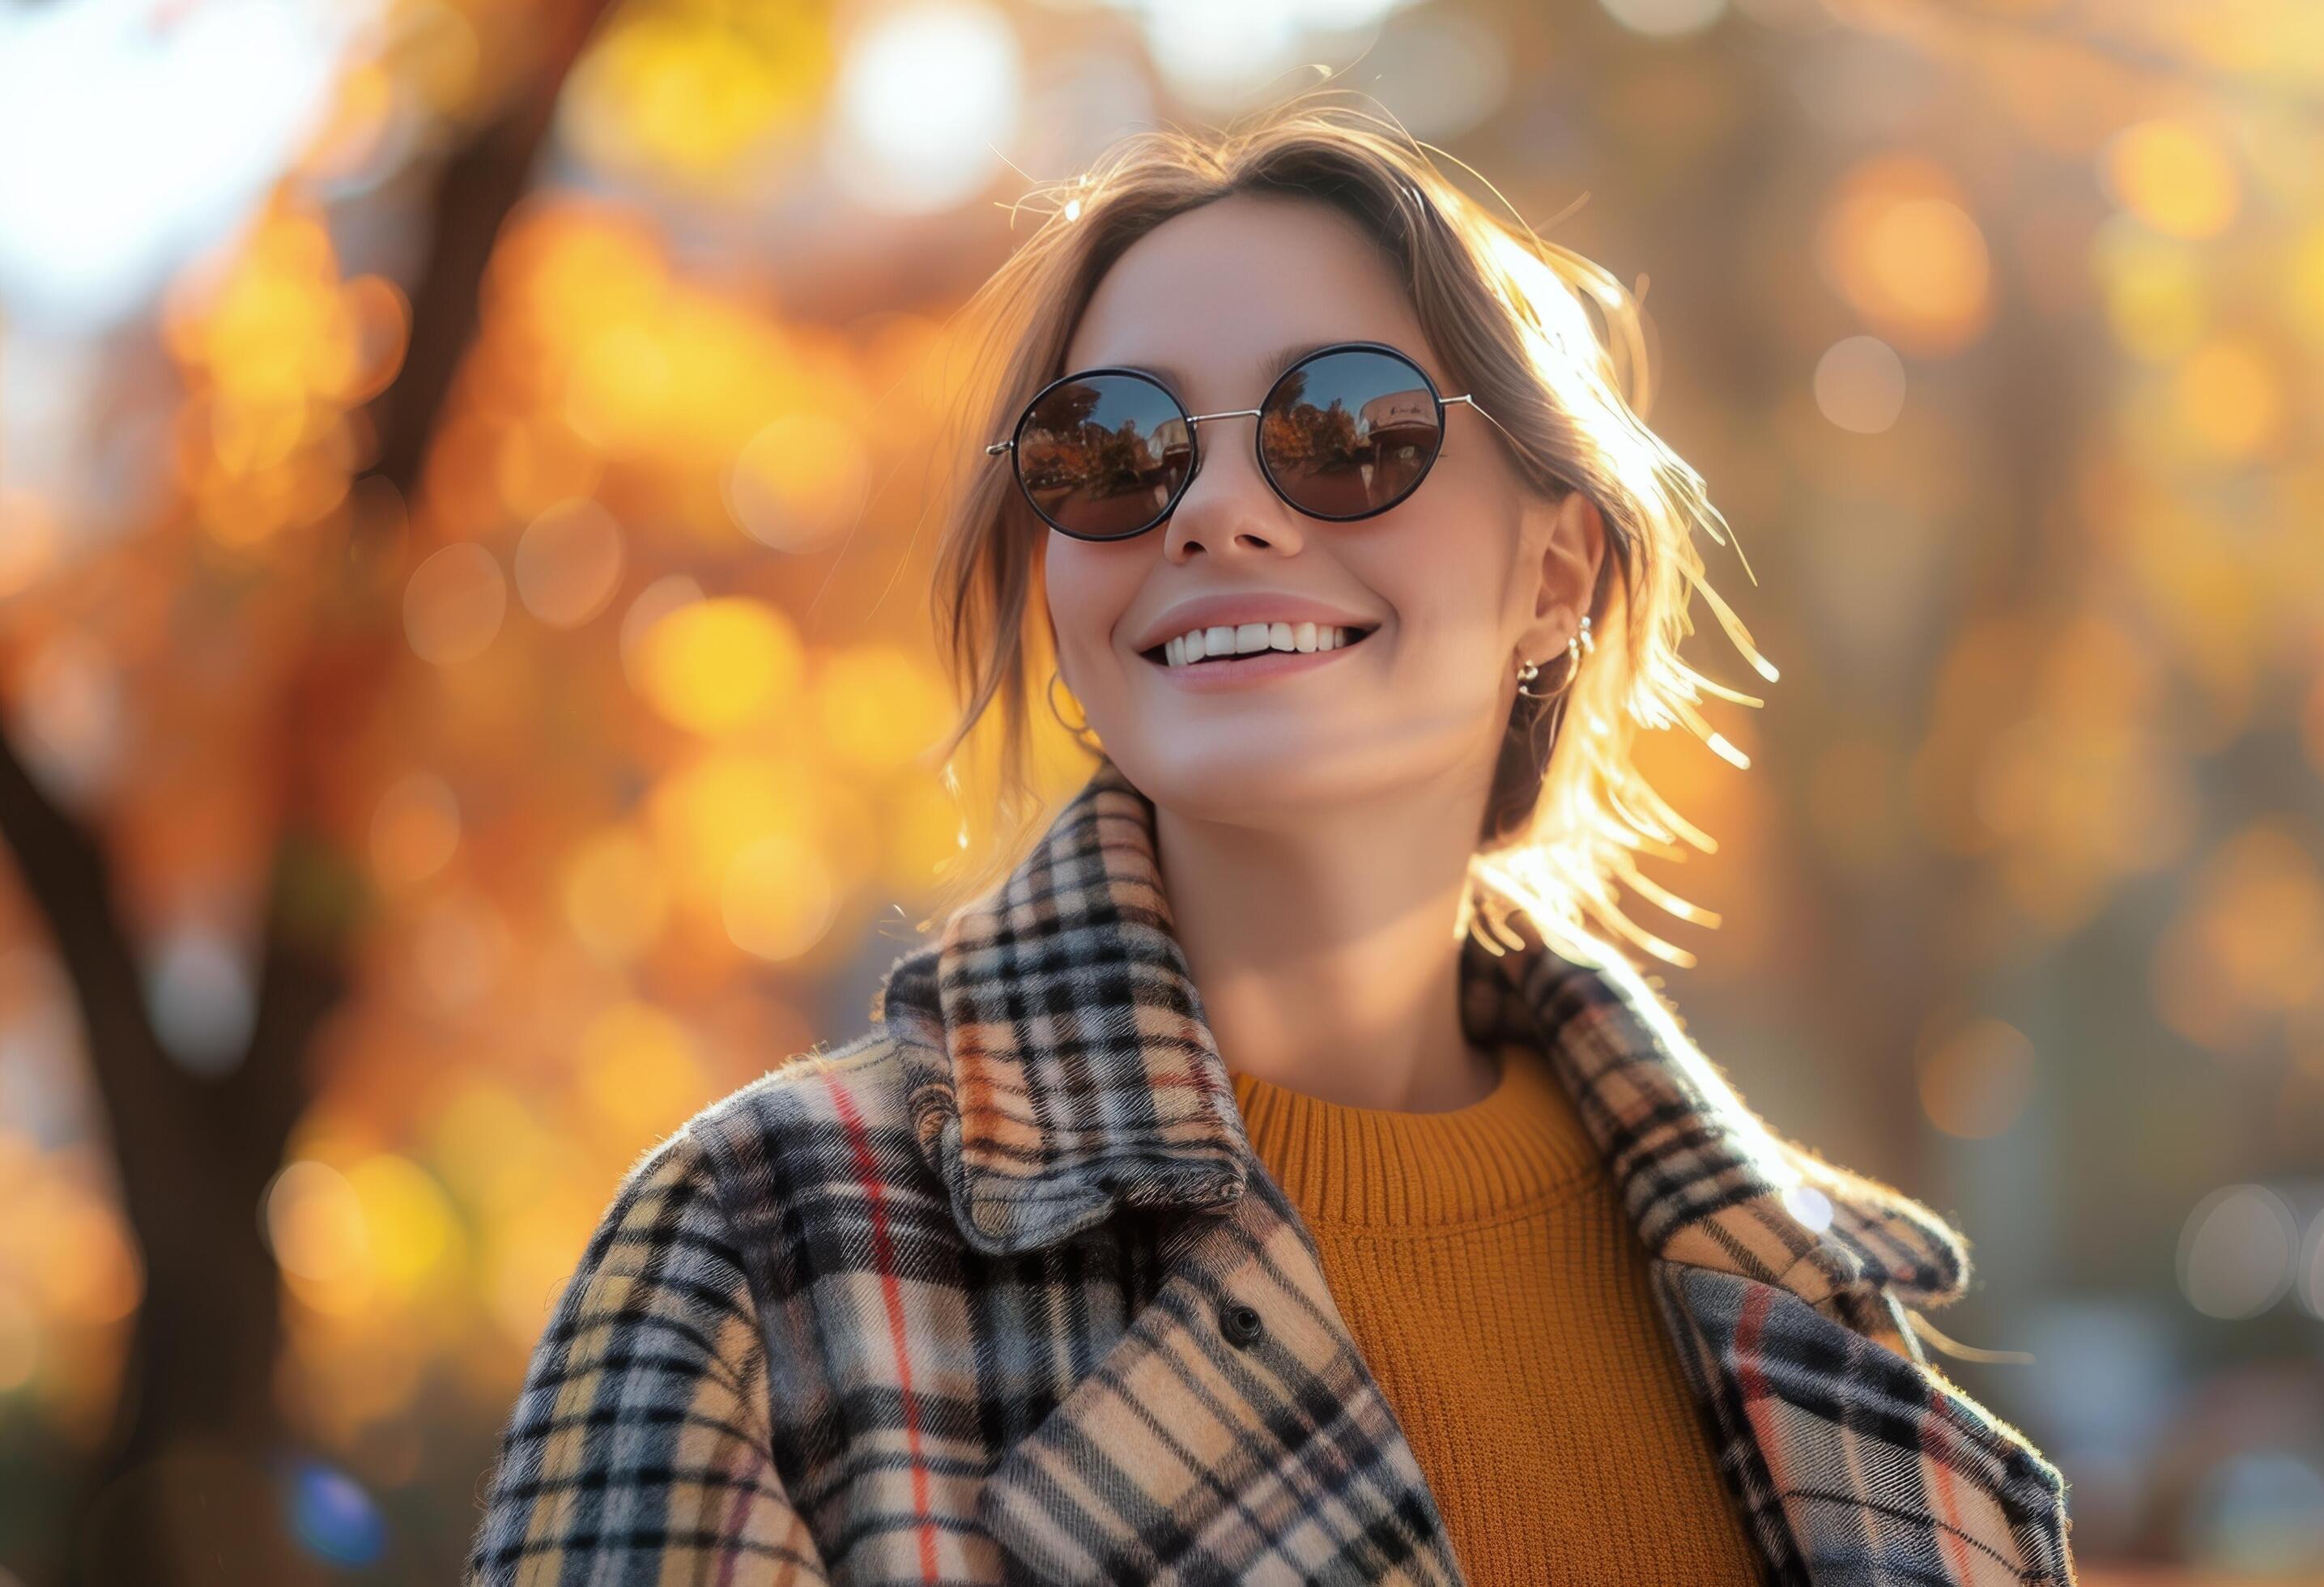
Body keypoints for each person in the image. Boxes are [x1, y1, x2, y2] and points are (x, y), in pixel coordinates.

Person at [468, 96, 2077, 1585]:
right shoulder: (763, 1248)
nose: (1214, 509)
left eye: (1350, 426)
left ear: (1555, 572)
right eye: (1109, 447)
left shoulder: (1802, 1299)